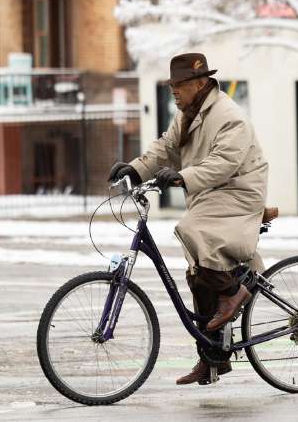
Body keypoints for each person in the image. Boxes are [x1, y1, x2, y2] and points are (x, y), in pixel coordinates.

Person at [108, 53, 269, 386]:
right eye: (170, 85)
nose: (173, 92)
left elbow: (225, 163)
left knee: (192, 229)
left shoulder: (227, 115)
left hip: (238, 192)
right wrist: (135, 169)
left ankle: (236, 291)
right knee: (197, 275)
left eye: (178, 85)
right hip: (211, 194)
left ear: (200, 83)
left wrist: (183, 177)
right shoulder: (186, 115)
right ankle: (212, 359)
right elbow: (165, 147)